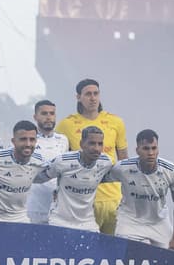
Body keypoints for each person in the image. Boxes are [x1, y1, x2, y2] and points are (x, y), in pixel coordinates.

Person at [55, 78, 128, 235]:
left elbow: (124, 163)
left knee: (113, 253)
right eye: (88, 94)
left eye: (96, 93)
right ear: (78, 97)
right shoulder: (65, 125)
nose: (93, 98)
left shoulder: (116, 122)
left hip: (114, 199)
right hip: (83, 202)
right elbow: (60, 164)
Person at [104, 129, 174, 251]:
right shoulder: (122, 168)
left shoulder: (171, 171)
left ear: (158, 149)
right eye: (146, 149)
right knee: (123, 258)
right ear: (137, 150)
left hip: (159, 222)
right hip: (130, 221)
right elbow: (97, 179)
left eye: (154, 148)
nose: (151, 153)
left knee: (169, 262)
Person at [34, 126, 114, 232]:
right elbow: (38, 177)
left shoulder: (105, 162)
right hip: (60, 221)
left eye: (100, 144)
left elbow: (123, 175)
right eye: (92, 143)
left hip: (88, 224)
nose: (96, 148)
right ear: (81, 144)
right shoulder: (63, 161)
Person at [0, 120, 46, 223]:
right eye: (23, 139)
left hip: (20, 218)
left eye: (32, 140)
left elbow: (55, 172)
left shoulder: (39, 161)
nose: (28, 144)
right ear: (13, 141)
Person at [26, 100, 69, 224]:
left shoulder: (63, 140)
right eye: (44, 113)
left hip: (57, 207)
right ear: (35, 117)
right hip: (32, 205)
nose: (49, 117)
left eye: (52, 113)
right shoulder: (27, 141)